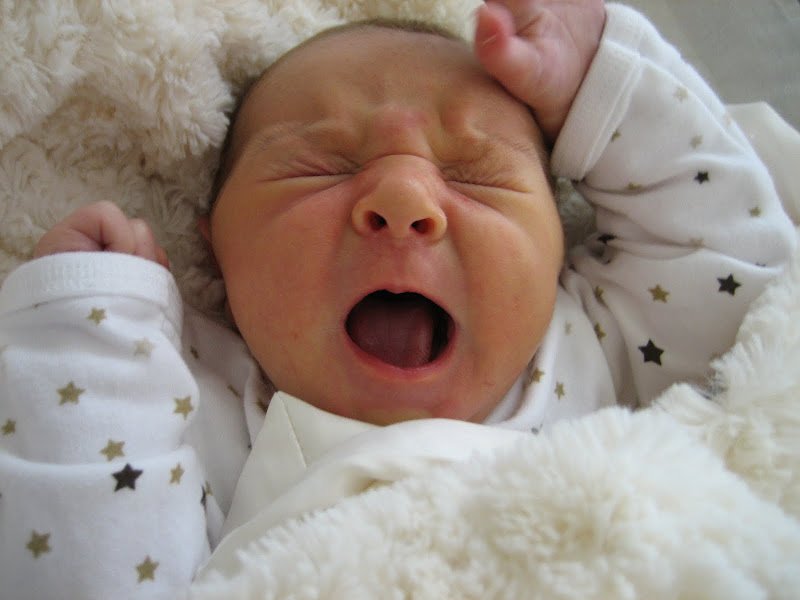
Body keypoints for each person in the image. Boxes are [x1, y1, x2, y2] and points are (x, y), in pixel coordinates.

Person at [0, 1, 795, 597]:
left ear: (560, 239)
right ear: (217, 249)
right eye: (319, 167)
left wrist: (606, 84)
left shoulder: (595, 344)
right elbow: (89, 566)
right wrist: (91, 345)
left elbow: (739, 270)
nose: (405, 198)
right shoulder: (184, 404)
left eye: (478, 174)